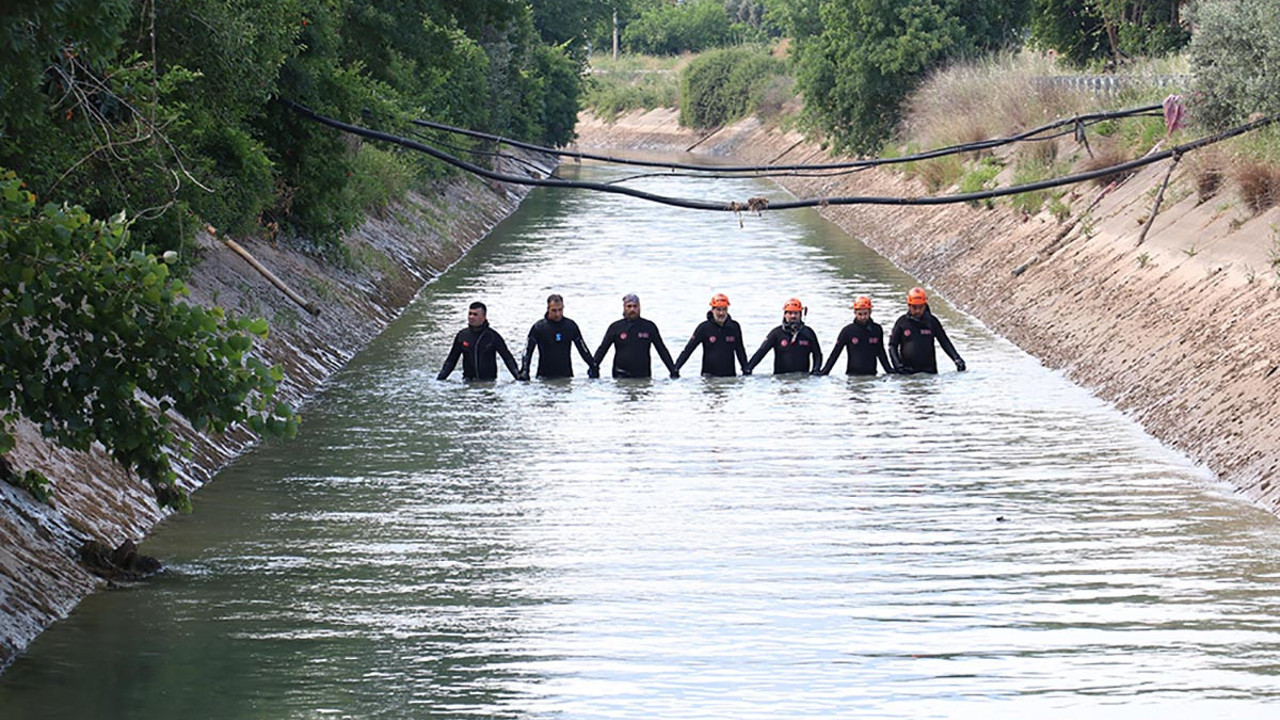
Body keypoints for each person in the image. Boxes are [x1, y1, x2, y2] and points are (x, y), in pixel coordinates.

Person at [593, 293, 679, 379]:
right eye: (629, 306)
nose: (632, 309)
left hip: (643, 376)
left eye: (635, 306)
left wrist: (672, 370)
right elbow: (603, 349)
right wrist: (594, 366)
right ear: (624, 308)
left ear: (639, 307)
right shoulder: (615, 327)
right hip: (620, 376)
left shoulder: (649, 327)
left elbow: (662, 350)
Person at [519, 294, 599, 379]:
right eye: (554, 310)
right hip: (544, 377)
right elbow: (527, 351)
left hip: (566, 377)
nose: (557, 314)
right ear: (548, 309)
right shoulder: (539, 327)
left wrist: (593, 366)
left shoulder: (570, 326)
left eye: (560, 310)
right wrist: (525, 370)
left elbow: (583, 349)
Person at [888, 287, 966, 374]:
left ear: (925, 305)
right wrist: (898, 366)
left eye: (920, 307)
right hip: (908, 373)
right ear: (909, 306)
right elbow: (892, 346)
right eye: (914, 307)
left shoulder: (932, 322)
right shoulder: (902, 322)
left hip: (929, 372)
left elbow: (944, 342)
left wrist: (957, 359)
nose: (918, 311)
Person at [437, 301, 521, 381]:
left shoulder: (493, 336)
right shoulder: (462, 336)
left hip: (489, 383)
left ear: (484, 317)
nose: (471, 317)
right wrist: (440, 379)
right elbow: (451, 360)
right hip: (468, 382)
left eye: (475, 314)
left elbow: (508, 358)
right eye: (470, 314)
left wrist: (518, 377)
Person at [673, 293, 751, 377]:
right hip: (709, 377)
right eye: (718, 309)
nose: (721, 313)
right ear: (712, 310)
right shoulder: (704, 328)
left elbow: (740, 351)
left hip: (729, 377)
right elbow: (688, 350)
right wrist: (676, 368)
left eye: (724, 309)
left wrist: (746, 369)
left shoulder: (734, 327)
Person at [818, 296, 895, 376]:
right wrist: (824, 372)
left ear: (870, 312)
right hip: (852, 376)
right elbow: (835, 353)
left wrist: (890, 371)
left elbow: (881, 352)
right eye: (860, 314)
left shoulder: (876, 329)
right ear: (855, 313)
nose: (863, 317)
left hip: (872, 376)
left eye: (865, 314)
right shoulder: (848, 331)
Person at [746, 297, 823, 375]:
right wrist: (749, 368)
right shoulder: (777, 333)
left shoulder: (808, 333)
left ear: (800, 315)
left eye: (796, 313)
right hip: (781, 380)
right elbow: (761, 351)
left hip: (802, 379)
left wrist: (815, 370)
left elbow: (817, 355)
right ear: (785, 315)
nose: (793, 316)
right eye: (790, 313)